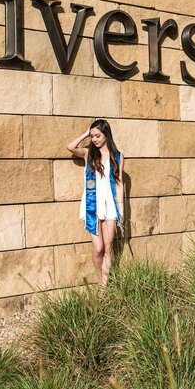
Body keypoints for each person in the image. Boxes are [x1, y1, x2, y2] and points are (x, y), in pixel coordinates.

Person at [66, 119, 125, 287]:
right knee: (98, 248)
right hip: (92, 203)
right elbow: (70, 147)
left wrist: (121, 210)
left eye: (98, 136)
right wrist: (86, 133)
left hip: (111, 204)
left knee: (108, 247)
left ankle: (104, 288)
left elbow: (119, 183)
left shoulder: (118, 156)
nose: (95, 140)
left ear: (107, 134)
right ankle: (100, 279)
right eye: (92, 137)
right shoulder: (88, 154)